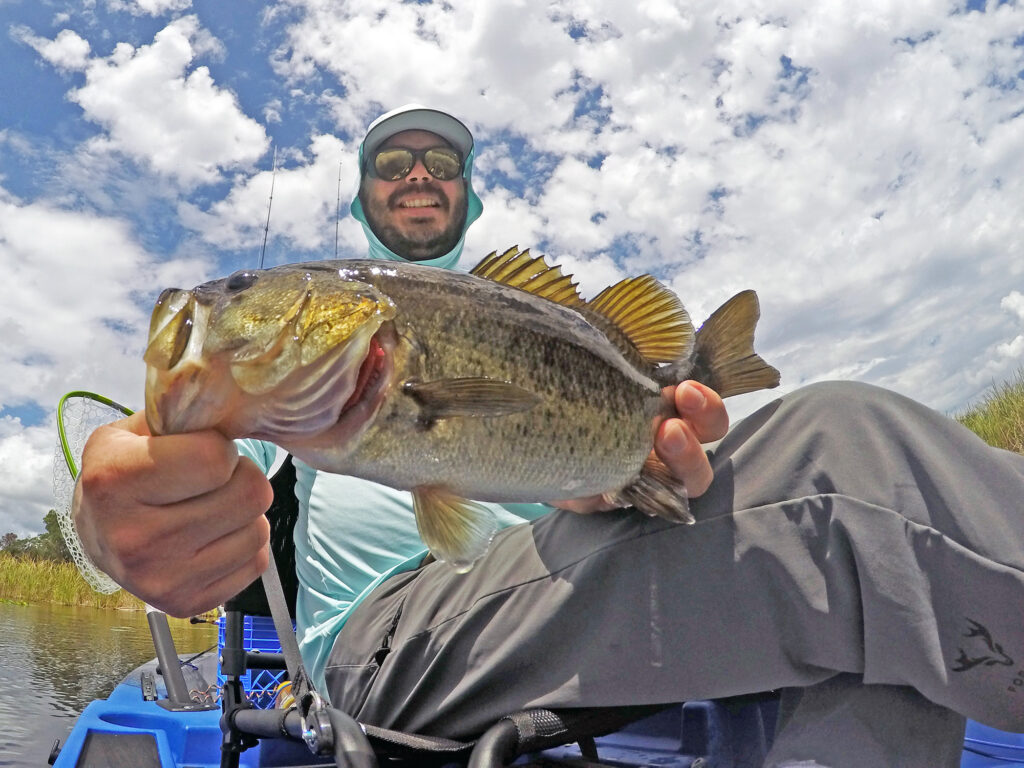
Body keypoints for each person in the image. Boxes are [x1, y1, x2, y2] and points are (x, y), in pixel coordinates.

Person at [72, 104, 1024, 767]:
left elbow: (575, 490)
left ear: (467, 196)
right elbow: (159, 474)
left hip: (561, 578)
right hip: (393, 640)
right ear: (362, 200)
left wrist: (620, 476)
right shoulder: (291, 398)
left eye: (439, 163)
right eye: (392, 162)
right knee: (848, 466)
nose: (416, 176)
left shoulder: (515, 308)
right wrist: (105, 529)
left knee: (895, 613)